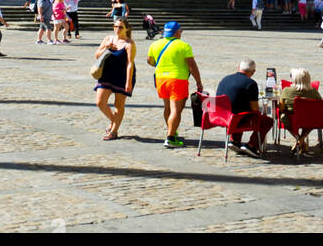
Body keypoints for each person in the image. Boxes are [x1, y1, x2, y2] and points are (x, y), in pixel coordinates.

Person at [147, 20, 203, 149]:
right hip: (177, 80)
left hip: (161, 79)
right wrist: (199, 82)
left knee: (167, 107)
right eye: (180, 31)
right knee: (176, 110)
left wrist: (162, 66)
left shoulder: (155, 44)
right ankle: (170, 138)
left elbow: (150, 61)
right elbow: (191, 65)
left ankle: (172, 130)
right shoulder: (183, 45)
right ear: (177, 32)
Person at [215, 58, 273, 157]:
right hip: (236, 118)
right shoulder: (250, 83)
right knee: (267, 120)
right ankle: (252, 145)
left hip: (220, 115)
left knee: (240, 109)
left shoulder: (225, 79)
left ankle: (235, 141)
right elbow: (254, 108)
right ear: (253, 72)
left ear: (238, 67)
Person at [94, 17, 136, 140]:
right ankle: (114, 121)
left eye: (120, 27)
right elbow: (97, 55)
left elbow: (130, 64)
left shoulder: (129, 43)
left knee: (119, 104)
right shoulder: (108, 39)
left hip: (122, 76)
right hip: (106, 75)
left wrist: (128, 82)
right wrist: (106, 47)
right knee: (100, 102)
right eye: (115, 26)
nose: (117, 29)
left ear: (126, 29)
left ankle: (114, 131)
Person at [279, 68, 323, 156]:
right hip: (309, 120)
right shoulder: (313, 92)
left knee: (283, 117)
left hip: (292, 120)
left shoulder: (287, 91)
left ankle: (299, 141)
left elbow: (281, 107)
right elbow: (320, 105)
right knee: (312, 119)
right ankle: (302, 141)